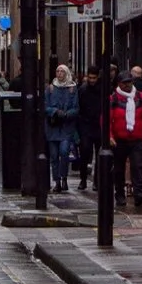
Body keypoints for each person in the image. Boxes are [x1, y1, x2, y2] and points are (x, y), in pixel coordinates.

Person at [109, 68, 142, 208]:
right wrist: (110, 136)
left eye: (129, 82)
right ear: (119, 84)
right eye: (124, 83)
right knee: (119, 169)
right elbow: (106, 120)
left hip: (137, 138)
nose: (127, 85)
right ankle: (119, 195)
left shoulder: (140, 97)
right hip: (120, 140)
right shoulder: (113, 99)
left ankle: (139, 194)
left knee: (137, 166)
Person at [44, 65, 79, 193]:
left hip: (66, 127)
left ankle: (64, 177)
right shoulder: (50, 89)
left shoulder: (72, 89)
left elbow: (76, 108)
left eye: (62, 71)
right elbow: (45, 106)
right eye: (57, 71)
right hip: (53, 127)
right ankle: (57, 181)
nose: (59, 74)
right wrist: (54, 111)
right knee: (53, 156)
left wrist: (66, 114)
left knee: (64, 152)